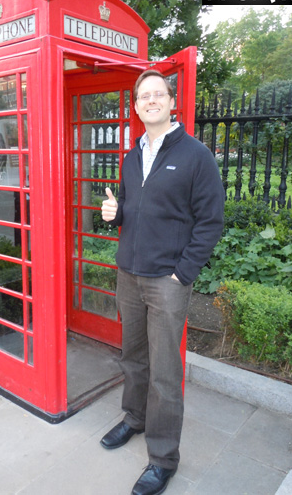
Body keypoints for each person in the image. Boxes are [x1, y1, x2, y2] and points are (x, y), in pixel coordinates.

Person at [100, 70, 225, 495]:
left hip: (167, 280)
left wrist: (182, 272)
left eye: (159, 94)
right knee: (133, 358)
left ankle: (163, 458)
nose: (151, 101)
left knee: (165, 373)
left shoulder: (196, 155)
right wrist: (116, 216)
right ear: (135, 107)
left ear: (172, 102)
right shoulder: (131, 156)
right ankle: (134, 419)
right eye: (143, 96)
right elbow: (133, 211)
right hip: (129, 274)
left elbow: (210, 222)